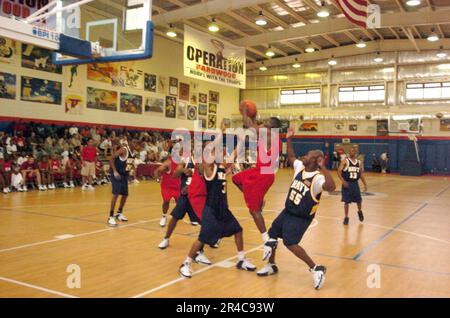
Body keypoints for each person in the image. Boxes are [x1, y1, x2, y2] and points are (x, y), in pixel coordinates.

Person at [257, 126, 336, 290]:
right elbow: (291, 155)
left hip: (301, 217)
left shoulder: (318, 178)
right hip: (287, 211)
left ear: (316, 161)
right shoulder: (300, 167)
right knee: (272, 236)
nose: (305, 156)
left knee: (290, 242)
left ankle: (316, 268)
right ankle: (272, 266)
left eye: (309, 155)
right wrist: (289, 138)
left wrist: (324, 167)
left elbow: (331, 187)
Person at [179, 129, 256, 278]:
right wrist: (220, 135)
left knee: (238, 231)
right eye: (214, 151)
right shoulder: (208, 168)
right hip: (211, 210)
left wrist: (240, 141)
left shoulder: (221, 167)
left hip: (223, 209)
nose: (217, 152)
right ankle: (185, 264)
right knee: (202, 239)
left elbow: (234, 154)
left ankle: (241, 260)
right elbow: (209, 149)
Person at [232, 110, 281, 250]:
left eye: (267, 124)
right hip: (258, 171)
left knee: (253, 210)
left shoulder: (271, 136)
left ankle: (266, 239)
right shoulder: (266, 134)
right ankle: (257, 199)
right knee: (236, 178)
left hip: (264, 175)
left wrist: (247, 112)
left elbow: (251, 126)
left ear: (272, 127)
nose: (264, 124)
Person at [158, 152, 205, 253]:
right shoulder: (186, 160)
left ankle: (200, 250)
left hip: (197, 197)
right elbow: (175, 175)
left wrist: (192, 187)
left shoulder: (204, 163)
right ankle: (166, 239)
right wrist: (183, 170)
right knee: (174, 218)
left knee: (204, 222)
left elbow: (206, 180)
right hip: (185, 197)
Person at [107, 139, 137, 227]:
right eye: (134, 142)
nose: (136, 145)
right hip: (116, 174)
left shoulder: (134, 153)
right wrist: (115, 171)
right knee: (116, 194)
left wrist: (130, 172)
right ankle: (110, 216)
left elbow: (129, 164)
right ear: (130, 142)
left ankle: (119, 213)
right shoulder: (124, 149)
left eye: (137, 144)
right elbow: (111, 158)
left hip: (124, 175)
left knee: (125, 194)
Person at [338, 147, 368, 225]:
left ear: (355, 153)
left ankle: (359, 211)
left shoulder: (359, 162)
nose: (351, 152)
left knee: (359, 200)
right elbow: (338, 171)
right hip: (347, 183)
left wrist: (365, 184)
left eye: (353, 151)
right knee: (346, 201)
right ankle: (346, 217)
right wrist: (343, 181)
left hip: (355, 184)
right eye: (350, 151)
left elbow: (361, 174)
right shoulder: (345, 161)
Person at [154, 155, 181, 227]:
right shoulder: (169, 162)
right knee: (166, 201)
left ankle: (192, 217)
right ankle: (164, 216)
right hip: (167, 186)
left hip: (177, 186)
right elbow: (157, 170)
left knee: (182, 203)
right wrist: (158, 178)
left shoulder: (183, 161)